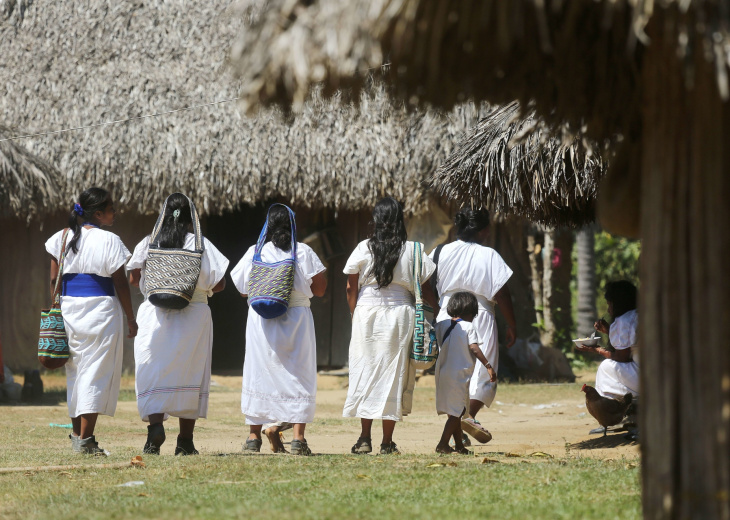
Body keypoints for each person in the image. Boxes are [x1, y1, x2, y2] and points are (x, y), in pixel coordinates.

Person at [128, 193, 229, 456]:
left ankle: (155, 429)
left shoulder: (149, 242)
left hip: (154, 314)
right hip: (194, 313)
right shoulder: (200, 243)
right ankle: (185, 441)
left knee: (153, 371)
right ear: (190, 218)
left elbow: (132, 277)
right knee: (189, 373)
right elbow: (219, 284)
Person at [45, 188, 136, 455]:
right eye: (111, 208)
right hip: (101, 311)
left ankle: (78, 436)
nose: (115, 213)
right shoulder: (110, 240)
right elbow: (120, 283)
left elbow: (53, 281)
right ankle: (85, 441)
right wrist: (131, 318)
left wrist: (58, 309)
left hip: (69, 309)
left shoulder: (60, 238)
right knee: (95, 374)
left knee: (74, 372)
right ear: (98, 213)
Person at [342, 197, 437, 455]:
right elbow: (427, 291)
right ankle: (386, 442)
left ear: (376, 220)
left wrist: (355, 314)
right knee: (394, 375)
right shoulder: (414, 250)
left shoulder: (363, 247)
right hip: (401, 317)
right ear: (399, 220)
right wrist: (436, 315)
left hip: (366, 316)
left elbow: (351, 286)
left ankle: (363, 439)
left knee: (366, 371)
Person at [231, 204, 327, 456]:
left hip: (261, 321)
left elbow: (242, 288)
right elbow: (320, 289)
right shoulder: (303, 252)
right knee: (299, 373)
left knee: (258, 373)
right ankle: (297, 440)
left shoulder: (255, 252)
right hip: (296, 319)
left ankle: (253, 438)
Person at [428, 207, 516, 445]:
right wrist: (511, 324)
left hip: (447, 316)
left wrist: (437, 311)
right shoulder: (489, 255)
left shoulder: (440, 251)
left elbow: (425, 282)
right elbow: (502, 293)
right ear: (484, 230)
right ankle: (470, 416)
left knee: (454, 371)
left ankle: (459, 426)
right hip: (480, 314)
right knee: (483, 373)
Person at [434, 292, 495, 454]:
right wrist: (488, 365)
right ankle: (442, 444)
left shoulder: (441, 325)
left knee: (455, 410)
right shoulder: (469, 327)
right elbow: (474, 347)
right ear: (472, 312)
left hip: (443, 373)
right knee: (458, 411)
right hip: (459, 374)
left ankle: (459, 446)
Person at [577, 281, 639, 399]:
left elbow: (622, 357)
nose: (608, 310)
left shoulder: (623, 320)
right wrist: (610, 331)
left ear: (618, 304)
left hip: (642, 375)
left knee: (606, 367)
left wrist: (598, 350)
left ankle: (609, 408)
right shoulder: (639, 315)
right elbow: (633, 339)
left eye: (609, 305)